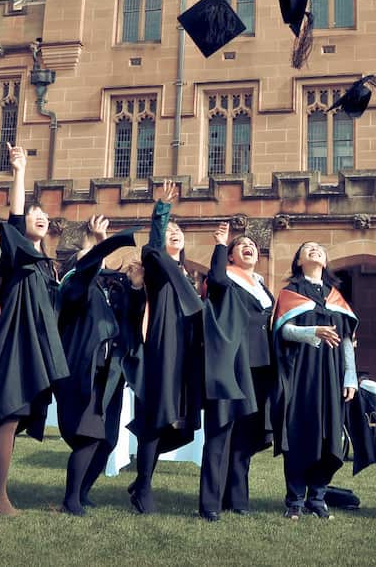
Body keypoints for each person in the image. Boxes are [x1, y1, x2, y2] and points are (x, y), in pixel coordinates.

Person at [0, 144, 69, 517]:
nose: (40, 216)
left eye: (44, 213)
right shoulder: (16, 254)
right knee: (8, 417)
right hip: (13, 345)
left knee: (12, 422)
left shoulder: (47, 265)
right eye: (34, 212)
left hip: (32, 349)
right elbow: (14, 218)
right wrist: (19, 171)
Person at [54, 215, 143, 516]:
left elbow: (131, 319)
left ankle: (83, 492)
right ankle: (70, 500)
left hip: (112, 372)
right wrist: (102, 243)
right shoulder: (76, 289)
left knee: (108, 440)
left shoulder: (109, 290)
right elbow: (88, 266)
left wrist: (134, 287)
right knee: (89, 434)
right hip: (86, 369)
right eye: (87, 258)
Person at [128, 181, 205, 515]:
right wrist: (162, 211)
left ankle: (141, 481)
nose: (175, 233)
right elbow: (154, 246)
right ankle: (143, 487)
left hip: (186, 354)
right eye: (170, 230)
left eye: (179, 230)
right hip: (163, 348)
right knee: (156, 418)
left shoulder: (188, 276)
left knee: (176, 423)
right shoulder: (158, 266)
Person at [273, 239, 357, 520]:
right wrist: (313, 332)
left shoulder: (336, 296)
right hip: (301, 373)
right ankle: (295, 499)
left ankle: (318, 497)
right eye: (307, 249)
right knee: (299, 433)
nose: (314, 250)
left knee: (329, 436)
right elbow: (283, 332)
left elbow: (346, 339)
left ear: (325, 260)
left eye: (319, 248)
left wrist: (351, 377)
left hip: (332, 373)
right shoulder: (290, 293)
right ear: (298, 261)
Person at [198, 223, 274, 521]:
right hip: (231, 364)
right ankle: (210, 504)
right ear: (230, 256)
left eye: (252, 246)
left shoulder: (262, 285)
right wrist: (219, 243)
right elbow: (214, 281)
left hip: (260, 366)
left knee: (246, 437)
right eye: (240, 245)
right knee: (220, 433)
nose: (249, 247)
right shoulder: (225, 277)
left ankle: (237, 499)